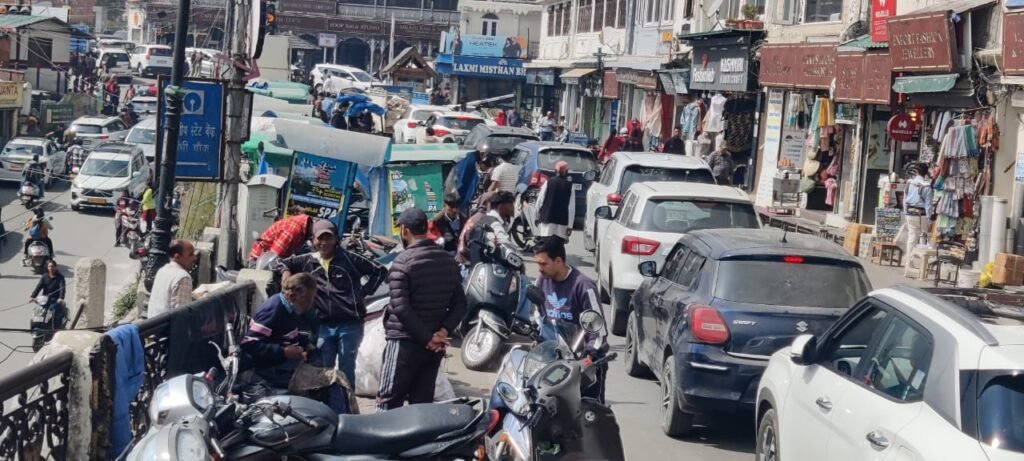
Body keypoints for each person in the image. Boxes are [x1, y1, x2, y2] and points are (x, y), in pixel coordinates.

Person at [376, 209, 467, 411]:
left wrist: (427, 338)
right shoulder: (448, 261)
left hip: (404, 342)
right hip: (433, 348)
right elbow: (460, 304)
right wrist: (442, 331)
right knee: (422, 406)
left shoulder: (403, 261)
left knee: (388, 402)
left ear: (405, 230)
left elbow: (400, 307)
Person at [279, 219, 387, 385]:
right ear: (313, 240)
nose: (324, 243)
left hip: (350, 323)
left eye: (328, 238)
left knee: (346, 368)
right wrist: (285, 272)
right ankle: (328, 400)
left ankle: (346, 400)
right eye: (320, 238)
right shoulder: (308, 260)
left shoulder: (350, 259)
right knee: (324, 368)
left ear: (336, 239)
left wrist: (363, 293)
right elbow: (280, 262)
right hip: (323, 325)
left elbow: (380, 271)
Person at [532, 237, 606, 402]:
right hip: (551, 363)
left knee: (588, 411)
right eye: (538, 264)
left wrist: (589, 358)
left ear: (559, 261)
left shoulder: (584, 286)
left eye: (543, 264)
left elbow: (598, 332)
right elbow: (540, 317)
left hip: (582, 364)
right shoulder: (541, 281)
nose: (539, 269)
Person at [241, 272, 318, 390]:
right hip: (270, 369)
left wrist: (305, 343)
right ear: (292, 296)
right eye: (308, 299)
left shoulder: (290, 309)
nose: (310, 304)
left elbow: (287, 334)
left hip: (283, 364)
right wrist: (283, 351)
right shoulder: (274, 309)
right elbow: (249, 343)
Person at [457, 191, 514, 267]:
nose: (513, 208)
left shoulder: (480, 217)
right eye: (511, 204)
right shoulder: (490, 222)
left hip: (467, 261)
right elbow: (506, 245)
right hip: (470, 263)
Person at [148, 240, 197, 318]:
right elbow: (181, 315)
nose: (195, 258)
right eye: (191, 254)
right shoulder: (183, 277)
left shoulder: (162, 270)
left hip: (152, 322)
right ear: (177, 257)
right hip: (167, 324)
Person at [249, 214, 314, 269]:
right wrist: (284, 270)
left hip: (272, 258)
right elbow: (274, 255)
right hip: (261, 260)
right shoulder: (292, 230)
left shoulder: (303, 231)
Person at [535, 161, 575, 242]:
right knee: (558, 246)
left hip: (547, 221)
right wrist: (570, 226)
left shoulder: (548, 182)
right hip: (562, 223)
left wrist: (536, 217)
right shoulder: (570, 186)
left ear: (555, 171)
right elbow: (571, 208)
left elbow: (540, 201)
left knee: (545, 244)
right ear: (566, 172)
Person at [903, 163, 933, 257]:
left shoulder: (909, 183)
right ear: (926, 173)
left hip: (910, 213)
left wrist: (905, 213)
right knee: (925, 235)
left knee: (911, 237)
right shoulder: (927, 186)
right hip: (922, 215)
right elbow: (928, 205)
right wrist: (929, 219)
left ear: (917, 172)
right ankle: (922, 259)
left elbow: (904, 199)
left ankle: (908, 259)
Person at [30, 259, 67, 330]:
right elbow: (38, 287)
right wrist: (32, 296)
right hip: (45, 299)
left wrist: (61, 298)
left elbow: (62, 288)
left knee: (52, 309)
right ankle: (35, 326)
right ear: (47, 267)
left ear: (56, 267)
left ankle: (55, 328)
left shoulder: (60, 277)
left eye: (52, 266)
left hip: (55, 300)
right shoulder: (44, 276)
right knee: (38, 310)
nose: (51, 268)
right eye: (49, 266)